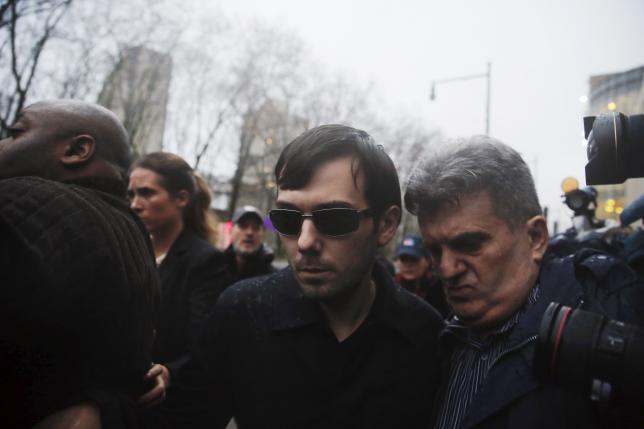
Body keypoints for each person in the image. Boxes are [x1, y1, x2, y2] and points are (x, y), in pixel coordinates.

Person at [165, 124, 444, 429]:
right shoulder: (241, 313)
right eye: (288, 218)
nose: (305, 242)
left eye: (334, 218)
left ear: (387, 225)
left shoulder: (426, 337)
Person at [404, 135, 644, 429]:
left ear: (535, 238)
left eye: (469, 244)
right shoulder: (435, 344)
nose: (446, 269)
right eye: (435, 251)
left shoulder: (613, 316)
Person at [0, 100, 161, 428]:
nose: (3, 143)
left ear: (77, 150)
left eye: (15, 133)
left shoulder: (21, 201)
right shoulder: (134, 237)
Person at [128, 152, 230, 381]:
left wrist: (168, 373)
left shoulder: (205, 261)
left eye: (146, 193)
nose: (135, 204)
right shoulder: (131, 252)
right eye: (131, 194)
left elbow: (203, 347)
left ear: (181, 198)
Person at [394, 234, 449, 317]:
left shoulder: (442, 290)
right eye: (403, 259)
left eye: (413, 259)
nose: (408, 264)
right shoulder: (389, 288)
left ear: (427, 261)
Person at [224, 205, 277, 282]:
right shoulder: (215, 271)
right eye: (243, 226)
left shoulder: (273, 279)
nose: (249, 233)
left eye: (256, 227)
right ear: (231, 230)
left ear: (263, 234)